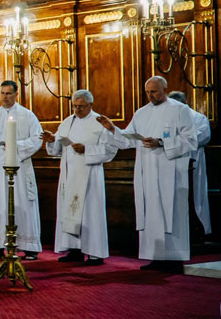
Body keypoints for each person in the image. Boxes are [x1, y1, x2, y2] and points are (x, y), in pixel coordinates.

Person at [98, 76, 198, 272]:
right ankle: (155, 256)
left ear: (165, 89)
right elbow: (128, 139)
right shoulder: (141, 113)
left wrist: (161, 143)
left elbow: (191, 139)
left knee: (171, 212)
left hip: (170, 170)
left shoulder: (180, 110)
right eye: (148, 92)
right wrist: (112, 129)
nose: (151, 96)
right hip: (147, 172)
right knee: (151, 212)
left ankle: (174, 259)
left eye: (154, 92)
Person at [42, 89, 118, 265]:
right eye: (75, 106)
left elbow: (110, 151)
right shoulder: (68, 122)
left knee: (91, 213)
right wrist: (52, 140)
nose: (77, 110)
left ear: (91, 105)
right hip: (69, 175)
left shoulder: (100, 123)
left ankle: (94, 253)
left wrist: (87, 150)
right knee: (70, 210)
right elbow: (57, 150)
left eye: (81, 106)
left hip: (89, 175)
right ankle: (74, 249)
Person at [0, 80, 44, 260]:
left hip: (19, 168)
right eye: (2, 93)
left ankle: (29, 247)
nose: (5, 97)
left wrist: (14, 145)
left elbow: (37, 139)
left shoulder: (27, 115)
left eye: (8, 93)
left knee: (23, 203)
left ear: (16, 94)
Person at [169, 91, 212, 235]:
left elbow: (203, 137)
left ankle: (199, 228)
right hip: (171, 161)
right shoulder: (167, 119)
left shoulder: (198, 118)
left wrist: (178, 143)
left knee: (195, 194)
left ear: (185, 103)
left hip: (192, 160)